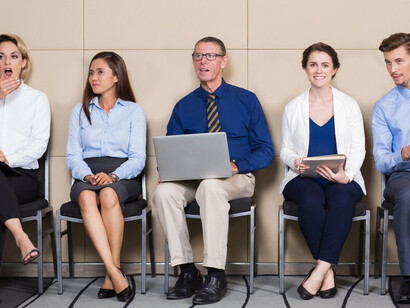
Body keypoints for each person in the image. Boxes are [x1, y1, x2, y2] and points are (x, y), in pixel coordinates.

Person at [153, 36, 274, 305]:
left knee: (211, 185)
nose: (203, 61)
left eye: (209, 56)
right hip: (192, 179)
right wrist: (167, 169)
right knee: (163, 192)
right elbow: (169, 149)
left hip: (236, 178)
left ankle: (216, 274)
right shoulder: (184, 105)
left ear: (223, 61)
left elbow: (266, 151)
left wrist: (236, 165)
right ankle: (186, 271)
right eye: (198, 56)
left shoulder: (246, 100)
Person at [280, 42, 366, 300]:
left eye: (325, 65)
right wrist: (295, 161)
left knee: (341, 198)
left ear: (334, 69)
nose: (319, 70)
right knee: (309, 198)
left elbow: (359, 147)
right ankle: (327, 272)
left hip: (343, 177)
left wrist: (346, 175)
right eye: (313, 64)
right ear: (305, 68)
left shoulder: (349, 105)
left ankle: (318, 273)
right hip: (303, 178)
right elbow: (285, 148)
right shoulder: (292, 107)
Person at [66, 51, 146, 302]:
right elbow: (72, 156)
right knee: (88, 199)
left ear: (116, 77)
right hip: (87, 175)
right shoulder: (79, 111)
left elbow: (138, 158)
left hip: (122, 175)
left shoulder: (134, 111)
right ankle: (114, 272)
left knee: (109, 195)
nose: (93, 78)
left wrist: (113, 175)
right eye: (91, 72)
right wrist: (88, 176)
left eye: (100, 72)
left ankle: (111, 275)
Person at [0, 34, 50, 269]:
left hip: (23, 177)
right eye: (0, 57)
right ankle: (21, 236)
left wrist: (8, 159)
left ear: (24, 62)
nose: (6, 62)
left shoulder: (37, 99)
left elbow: (39, 145)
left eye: (13, 56)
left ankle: (19, 237)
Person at [372, 32, 410, 303]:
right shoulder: (384, 107)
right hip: (403, 176)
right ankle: (409, 279)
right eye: (387, 62)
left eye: (398, 61)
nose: (392, 69)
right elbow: (381, 160)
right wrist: (404, 153)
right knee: (409, 197)